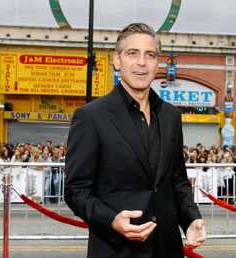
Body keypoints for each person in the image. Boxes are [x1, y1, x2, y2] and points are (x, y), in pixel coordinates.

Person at [64, 23, 206, 258]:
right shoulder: (91, 117)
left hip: (167, 249)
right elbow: (75, 190)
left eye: (149, 55)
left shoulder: (171, 116)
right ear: (117, 61)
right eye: (132, 53)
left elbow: (177, 181)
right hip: (117, 250)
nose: (142, 62)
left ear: (156, 63)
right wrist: (111, 220)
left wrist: (191, 219)